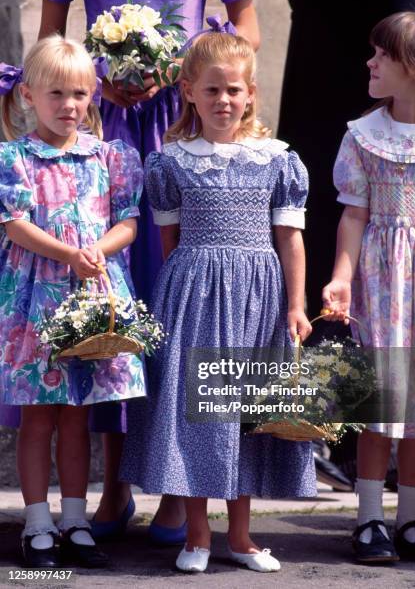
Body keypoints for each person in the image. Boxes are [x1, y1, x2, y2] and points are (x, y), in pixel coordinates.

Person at [20, 0, 266, 541]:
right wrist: (96, 79)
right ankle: (115, 484)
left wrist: (179, 67)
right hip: (103, 117)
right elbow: (50, 34)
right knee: (110, 309)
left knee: (177, 301)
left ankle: (180, 490)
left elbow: (246, 28)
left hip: (180, 115)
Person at [120, 31, 317, 573]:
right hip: (193, 296)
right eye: (211, 90)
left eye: (233, 89)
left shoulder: (277, 160)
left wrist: (296, 305)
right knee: (195, 414)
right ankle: (197, 536)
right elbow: (169, 244)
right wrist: (173, 301)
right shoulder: (171, 163)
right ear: (188, 91)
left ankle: (243, 537)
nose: (223, 100)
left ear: (251, 92)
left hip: (258, 299)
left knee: (243, 415)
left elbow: (290, 240)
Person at [0, 35, 145, 567]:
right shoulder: (14, 158)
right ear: (29, 97)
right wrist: (68, 253)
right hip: (35, 301)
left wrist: (95, 253)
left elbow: (127, 222)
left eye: (80, 94)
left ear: (94, 97)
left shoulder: (112, 157)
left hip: (92, 296)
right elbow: (15, 226)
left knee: (78, 416)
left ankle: (76, 521)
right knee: (38, 416)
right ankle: (37, 524)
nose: (69, 106)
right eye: (56, 93)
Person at [322, 10, 415, 564]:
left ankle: (411, 521)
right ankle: (370, 519)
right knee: (380, 402)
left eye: (382, 55)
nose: (369, 62)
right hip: (383, 284)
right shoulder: (364, 137)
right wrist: (342, 278)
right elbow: (352, 216)